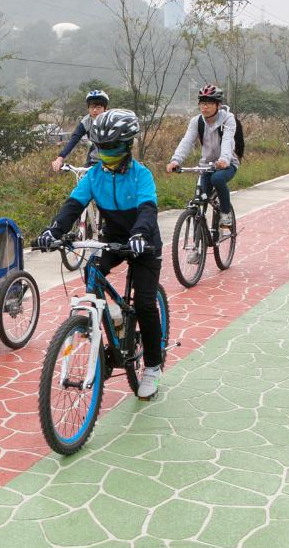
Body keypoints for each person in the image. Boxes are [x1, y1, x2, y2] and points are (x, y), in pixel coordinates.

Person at [37, 109, 166, 399]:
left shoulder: (141, 175)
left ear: (128, 146)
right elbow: (73, 205)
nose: (106, 153)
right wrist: (54, 230)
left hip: (143, 242)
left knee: (145, 304)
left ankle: (153, 367)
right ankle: (115, 317)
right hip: (113, 239)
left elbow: (147, 210)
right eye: (101, 147)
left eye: (113, 147)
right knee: (91, 271)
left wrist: (140, 234)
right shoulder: (94, 176)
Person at [167, 84, 244, 229]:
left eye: (209, 103)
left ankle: (226, 214)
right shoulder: (197, 121)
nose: (205, 107)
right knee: (200, 198)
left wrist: (224, 160)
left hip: (227, 164)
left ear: (218, 105)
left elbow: (228, 141)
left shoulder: (228, 119)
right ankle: (199, 239)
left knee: (217, 178)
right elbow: (187, 141)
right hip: (206, 166)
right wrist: (175, 160)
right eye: (202, 103)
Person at [52, 89, 109, 171]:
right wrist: (60, 158)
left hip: (113, 161)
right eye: (92, 107)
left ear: (105, 108)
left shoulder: (113, 121)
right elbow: (74, 139)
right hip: (94, 161)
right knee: (84, 182)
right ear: (88, 108)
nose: (95, 110)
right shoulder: (86, 121)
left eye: (98, 107)